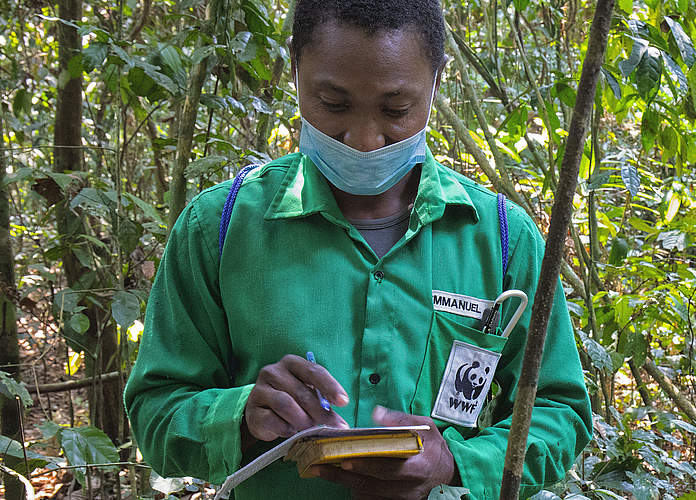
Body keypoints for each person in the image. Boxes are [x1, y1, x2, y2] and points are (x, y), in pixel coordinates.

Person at [122, 1, 592, 498]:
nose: (365, 140)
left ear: (437, 82)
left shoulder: (500, 238)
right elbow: (156, 409)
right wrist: (242, 416)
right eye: (333, 103)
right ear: (296, 68)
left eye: (396, 110)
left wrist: (456, 463)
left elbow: (558, 409)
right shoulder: (219, 227)